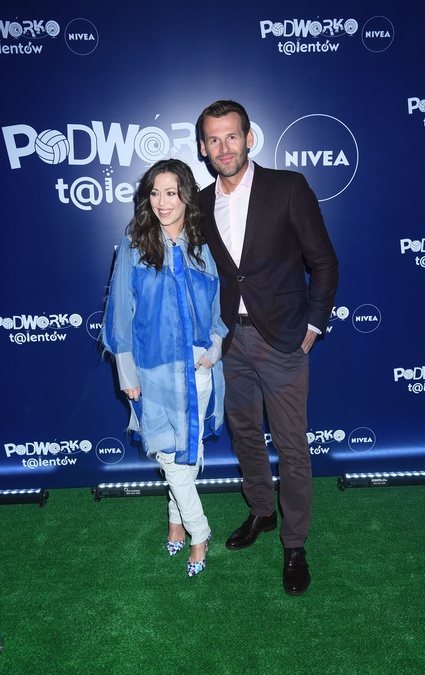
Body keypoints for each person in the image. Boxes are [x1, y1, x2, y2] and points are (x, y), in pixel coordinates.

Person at [197, 100, 338, 595]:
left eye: (231, 136)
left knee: (292, 445)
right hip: (229, 341)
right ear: (203, 148)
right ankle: (261, 511)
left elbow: (324, 262)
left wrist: (314, 324)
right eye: (213, 140)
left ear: (249, 138)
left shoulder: (288, 187)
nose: (224, 148)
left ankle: (295, 544)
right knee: (244, 435)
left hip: (281, 339)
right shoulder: (198, 203)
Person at [102, 159, 228, 578]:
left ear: (186, 196)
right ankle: (199, 532)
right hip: (152, 372)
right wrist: (128, 374)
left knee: (188, 455)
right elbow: (119, 316)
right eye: (154, 193)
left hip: (198, 370)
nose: (162, 202)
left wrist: (214, 348)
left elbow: (216, 310)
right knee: (169, 458)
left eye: (170, 192)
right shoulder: (133, 248)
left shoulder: (202, 247)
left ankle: (175, 521)